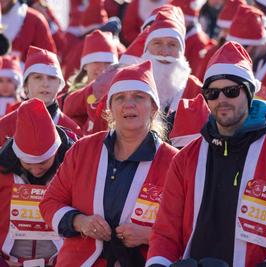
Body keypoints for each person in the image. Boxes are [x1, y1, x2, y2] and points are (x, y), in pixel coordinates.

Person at [146, 41, 266, 267]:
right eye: (213, 93)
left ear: (249, 92)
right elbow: (166, 232)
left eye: (231, 91)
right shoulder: (186, 158)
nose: (222, 99)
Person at [39, 61, 178, 266]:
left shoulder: (173, 162)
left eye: (139, 97)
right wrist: (80, 222)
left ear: (154, 108)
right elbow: (49, 203)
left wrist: (148, 235)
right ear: (110, 109)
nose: (128, 104)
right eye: (120, 98)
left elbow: (186, 227)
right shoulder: (83, 150)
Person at [0, 98, 75, 266]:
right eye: (27, 163)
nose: (36, 170)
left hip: (60, 261)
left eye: (42, 163)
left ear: (55, 152)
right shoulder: (3, 171)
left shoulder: (74, 168)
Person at [0, 46, 82, 146]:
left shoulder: (72, 130)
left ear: (59, 84)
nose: (45, 84)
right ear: (25, 85)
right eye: (38, 77)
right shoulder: (5, 126)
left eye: (51, 78)